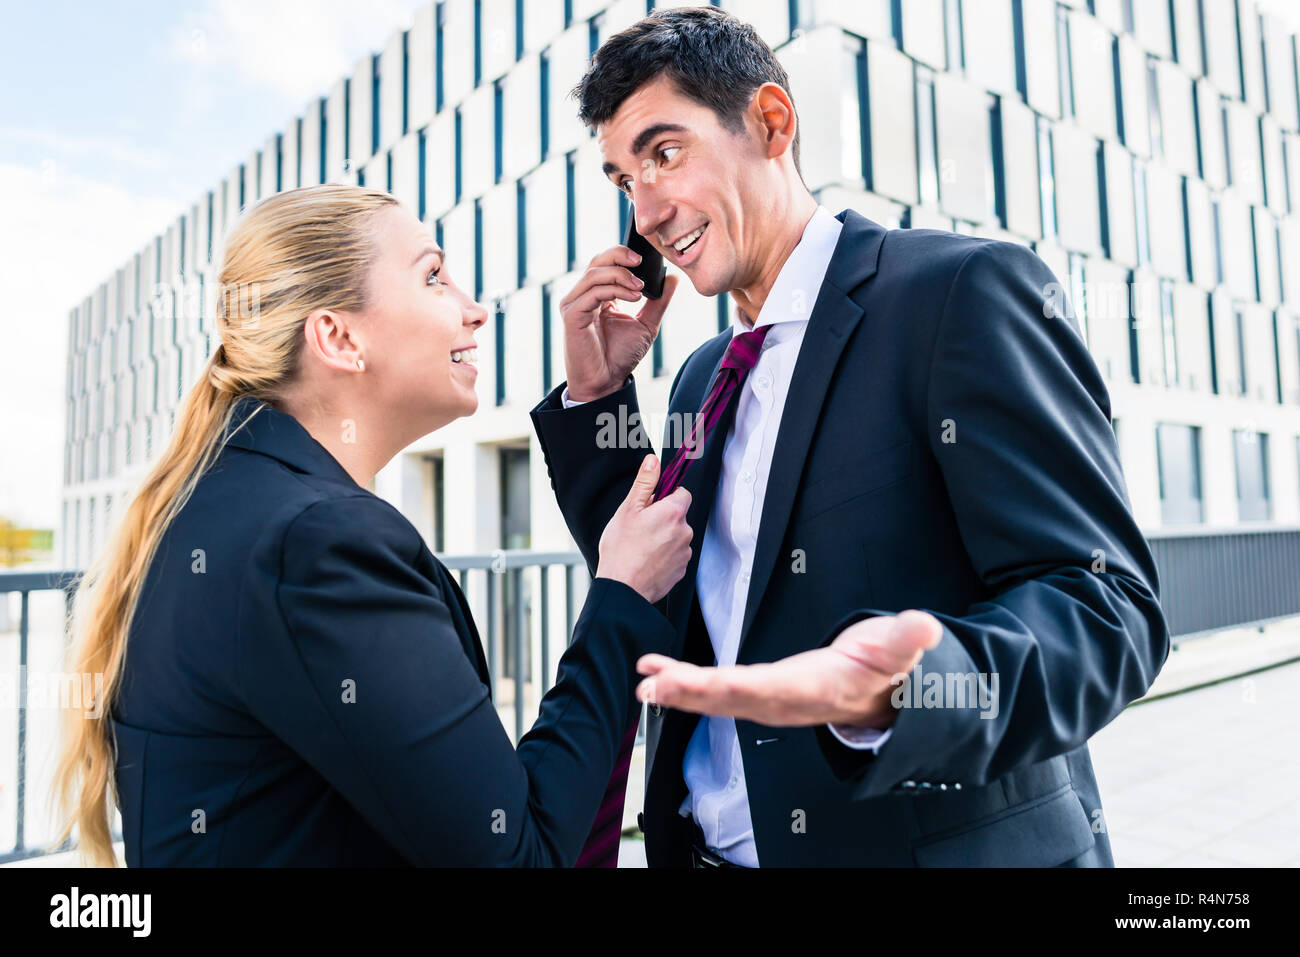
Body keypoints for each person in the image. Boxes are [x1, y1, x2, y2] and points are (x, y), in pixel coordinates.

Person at [530, 6, 1170, 867]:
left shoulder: (958, 297)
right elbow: (653, 577)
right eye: (622, 179)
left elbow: (1107, 608)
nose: (645, 210)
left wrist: (913, 687)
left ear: (771, 122)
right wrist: (598, 393)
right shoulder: (702, 375)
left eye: (664, 153)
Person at [51, 184, 694, 866]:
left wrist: (596, 402)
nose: (475, 311)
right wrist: (620, 599)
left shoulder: (217, 504)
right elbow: (519, 855)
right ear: (338, 336)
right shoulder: (319, 544)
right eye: (434, 276)